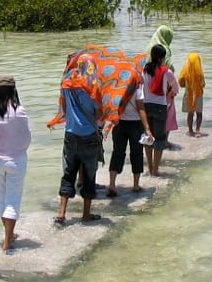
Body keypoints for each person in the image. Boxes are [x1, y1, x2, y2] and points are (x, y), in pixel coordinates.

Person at [55, 53, 103, 225]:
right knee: (89, 176)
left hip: (70, 134)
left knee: (68, 174)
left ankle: (61, 213)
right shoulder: (94, 86)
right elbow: (98, 115)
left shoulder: (66, 84)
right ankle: (86, 214)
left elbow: (65, 109)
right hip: (89, 135)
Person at [0, 76, 31, 253]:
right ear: (13, 90)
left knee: (1, 199)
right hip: (15, 160)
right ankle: (7, 241)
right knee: (13, 200)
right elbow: (27, 138)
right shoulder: (18, 111)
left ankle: (9, 234)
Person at [107, 73, 152, 195]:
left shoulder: (117, 88)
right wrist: (147, 128)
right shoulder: (137, 88)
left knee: (117, 153)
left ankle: (112, 184)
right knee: (137, 154)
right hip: (135, 125)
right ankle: (136, 185)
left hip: (119, 124)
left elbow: (110, 104)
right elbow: (141, 108)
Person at [142, 43, 178, 176]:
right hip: (160, 107)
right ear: (162, 58)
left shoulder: (144, 70)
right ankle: (156, 170)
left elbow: (140, 86)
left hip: (145, 106)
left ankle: (150, 167)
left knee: (148, 137)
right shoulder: (166, 71)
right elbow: (176, 87)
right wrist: (170, 93)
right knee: (159, 139)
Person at [178, 51, 205, 137]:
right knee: (199, 113)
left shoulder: (185, 71)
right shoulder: (200, 72)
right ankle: (197, 130)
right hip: (198, 94)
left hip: (188, 94)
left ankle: (190, 130)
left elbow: (181, 82)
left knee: (190, 114)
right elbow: (203, 84)